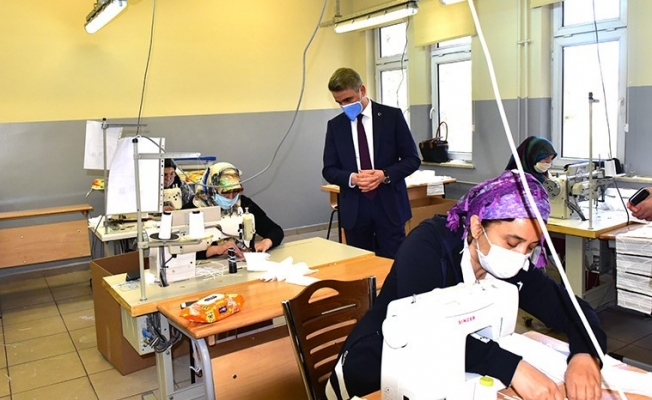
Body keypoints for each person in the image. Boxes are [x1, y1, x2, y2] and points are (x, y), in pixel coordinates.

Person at [324, 171, 606, 400]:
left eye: (531, 247)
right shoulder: (428, 247)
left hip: (446, 377)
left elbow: (573, 310)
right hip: (373, 376)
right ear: (476, 226)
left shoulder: (509, 263)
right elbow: (428, 330)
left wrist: (586, 354)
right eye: (513, 242)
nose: (521, 256)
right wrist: (513, 368)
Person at [322, 67, 421, 259]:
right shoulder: (336, 126)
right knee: (361, 264)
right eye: (339, 102)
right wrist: (352, 178)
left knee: (394, 263)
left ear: (362, 90)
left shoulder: (392, 117)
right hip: (355, 209)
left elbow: (412, 159)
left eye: (348, 99)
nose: (344, 106)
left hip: (389, 205)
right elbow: (329, 169)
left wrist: (384, 175)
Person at [193, 162, 284, 258]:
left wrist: (266, 242)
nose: (231, 197)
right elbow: (183, 250)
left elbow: (276, 230)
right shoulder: (193, 210)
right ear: (212, 189)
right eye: (225, 193)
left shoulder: (244, 204)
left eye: (235, 192)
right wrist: (217, 249)